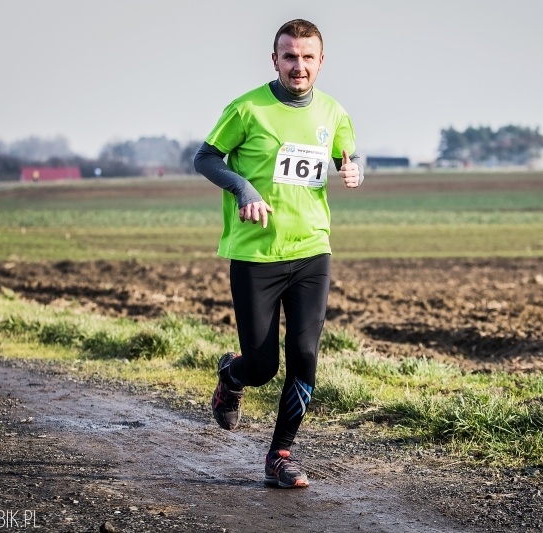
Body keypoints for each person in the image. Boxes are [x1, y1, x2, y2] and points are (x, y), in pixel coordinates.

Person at [193, 18, 364, 489]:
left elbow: (346, 157)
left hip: (312, 250)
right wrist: (243, 187)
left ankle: (280, 455)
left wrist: (354, 172)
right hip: (256, 256)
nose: (299, 66)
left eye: (308, 57)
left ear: (321, 61)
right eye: (289, 56)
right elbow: (205, 158)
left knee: (305, 354)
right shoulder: (248, 109)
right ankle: (232, 374)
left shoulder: (334, 112)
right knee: (263, 366)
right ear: (275, 60)